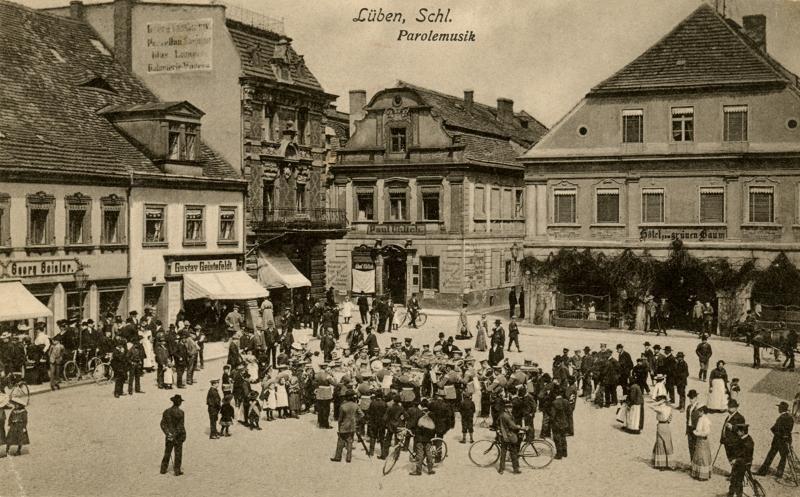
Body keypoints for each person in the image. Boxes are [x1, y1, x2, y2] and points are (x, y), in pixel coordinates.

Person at [756, 401, 795, 478]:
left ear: (781, 409)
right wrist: (785, 436)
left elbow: (774, 428)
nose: (778, 409)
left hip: (778, 441)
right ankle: (779, 473)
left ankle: (762, 472)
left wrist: (778, 434)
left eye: (779, 408)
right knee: (783, 457)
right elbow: (789, 430)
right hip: (786, 441)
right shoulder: (790, 418)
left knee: (771, 455)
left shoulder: (781, 418)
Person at [331, 391, 362, 463]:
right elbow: (361, 414)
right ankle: (348, 458)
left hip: (343, 426)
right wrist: (355, 420)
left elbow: (340, 419)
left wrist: (339, 427)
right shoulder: (355, 405)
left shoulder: (343, 406)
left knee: (340, 441)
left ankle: (338, 457)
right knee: (350, 441)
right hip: (352, 426)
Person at [160, 394, 186, 476]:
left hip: (169, 436)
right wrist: (175, 434)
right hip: (178, 436)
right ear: (180, 403)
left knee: (167, 452)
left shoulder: (166, 411)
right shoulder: (181, 413)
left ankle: (163, 469)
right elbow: (180, 426)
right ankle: (177, 470)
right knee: (178, 453)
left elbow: (162, 424)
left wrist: (168, 433)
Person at [410, 399, 437, 475]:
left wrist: (413, 432)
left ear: (421, 405)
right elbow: (435, 426)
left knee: (420, 453)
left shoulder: (418, 413)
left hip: (419, 437)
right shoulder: (432, 414)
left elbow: (413, 424)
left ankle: (418, 471)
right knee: (428, 452)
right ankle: (430, 469)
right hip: (429, 437)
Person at [728, 424, 755, 497]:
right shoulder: (743, 438)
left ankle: (737, 495)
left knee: (738, 481)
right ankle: (731, 494)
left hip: (744, 463)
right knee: (734, 480)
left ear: (742, 432)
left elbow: (746, 457)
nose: (737, 432)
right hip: (739, 462)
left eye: (738, 431)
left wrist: (736, 460)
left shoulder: (748, 442)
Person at [650, 395, 675, 470]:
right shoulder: (669, 408)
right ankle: (670, 463)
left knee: (660, 443)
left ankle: (661, 464)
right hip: (667, 426)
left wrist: (658, 403)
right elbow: (670, 418)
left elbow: (650, 406)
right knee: (667, 443)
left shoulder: (660, 408)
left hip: (660, 425)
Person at [497, 401, 522, 474]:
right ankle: (515, 469)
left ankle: (501, 469)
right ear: (505, 409)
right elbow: (512, 425)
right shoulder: (506, 416)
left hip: (503, 436)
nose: (511, 409)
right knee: (513, 452)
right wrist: (520, 427)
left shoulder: (502, 415)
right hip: (509, 436)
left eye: (511, 407)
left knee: (503, 452)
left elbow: (497, 422)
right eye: (509, 408)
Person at [690, 406, 713, 480]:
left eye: (699, 411)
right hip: (699, 440)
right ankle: (697, 473)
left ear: (703, 411)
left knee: (703, 457)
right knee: (698, 456)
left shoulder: (706, 420)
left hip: (703, 440)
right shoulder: (700, 419)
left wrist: (696, 433)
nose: (698, 413)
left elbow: (706, 432)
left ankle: (703, 475)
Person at [721, 399, 746, 465]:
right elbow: (723, 428)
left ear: (736, 408)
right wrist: (722, 438)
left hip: (734, 442)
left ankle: (735, 473)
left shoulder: (740, 417)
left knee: (734, 457)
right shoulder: (728, 417)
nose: (729, 409)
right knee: (730, 457)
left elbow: (742, 431)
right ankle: (733, 472)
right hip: (727, 441)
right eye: (729, 407)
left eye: (731, 407)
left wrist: (732, 427)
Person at [551, 387, 571, 459]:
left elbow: (553, 415)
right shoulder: (566, 401)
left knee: (557, 438)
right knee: (563, 437)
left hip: (556, 424)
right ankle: (565, 452)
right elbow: (569, 413)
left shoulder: (554, 403)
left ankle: (559, 454)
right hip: (564, 423)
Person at [685, 390, 702, 460]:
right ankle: (692, 463)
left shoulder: (699, 407)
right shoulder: (688, 407)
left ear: (696, 398)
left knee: (697, 447)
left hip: (696, 429)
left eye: (692, 398)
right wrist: (687, 429)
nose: (691, 400)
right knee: (690, 447)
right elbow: (687, 418)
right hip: (689, 429)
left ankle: (697, 464)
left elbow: (701, 420)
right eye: (690, 398)